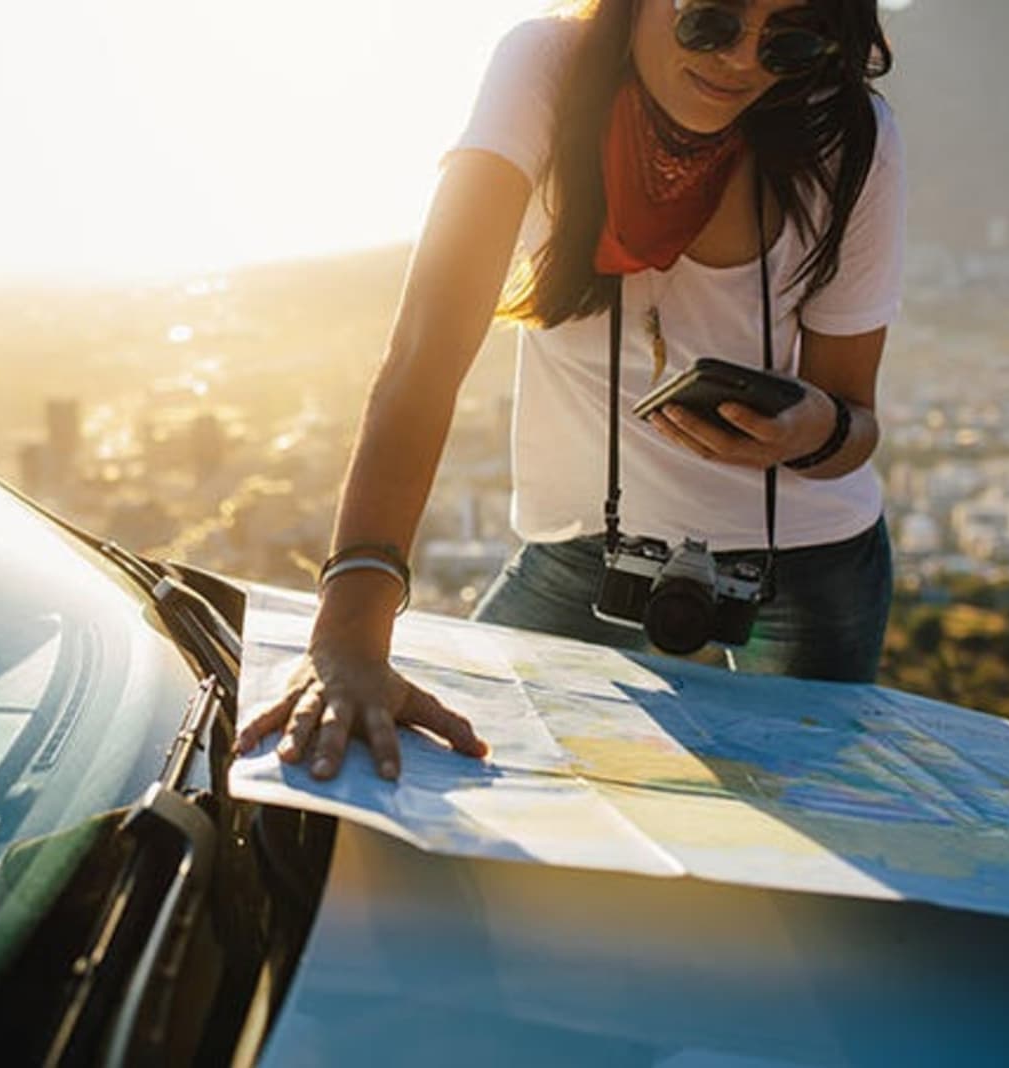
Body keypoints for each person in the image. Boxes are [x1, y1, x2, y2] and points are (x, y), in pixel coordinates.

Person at [236, 0, 904, 781]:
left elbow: (854, 425)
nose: (743, 61)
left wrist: (811, 430)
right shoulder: (547, 68)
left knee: (805, 816)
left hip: (806, 565)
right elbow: (428, 346)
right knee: (451, 770)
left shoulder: (849, 136)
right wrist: (347, 635)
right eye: (711, 21)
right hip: (589, 543)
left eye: (788, 40)